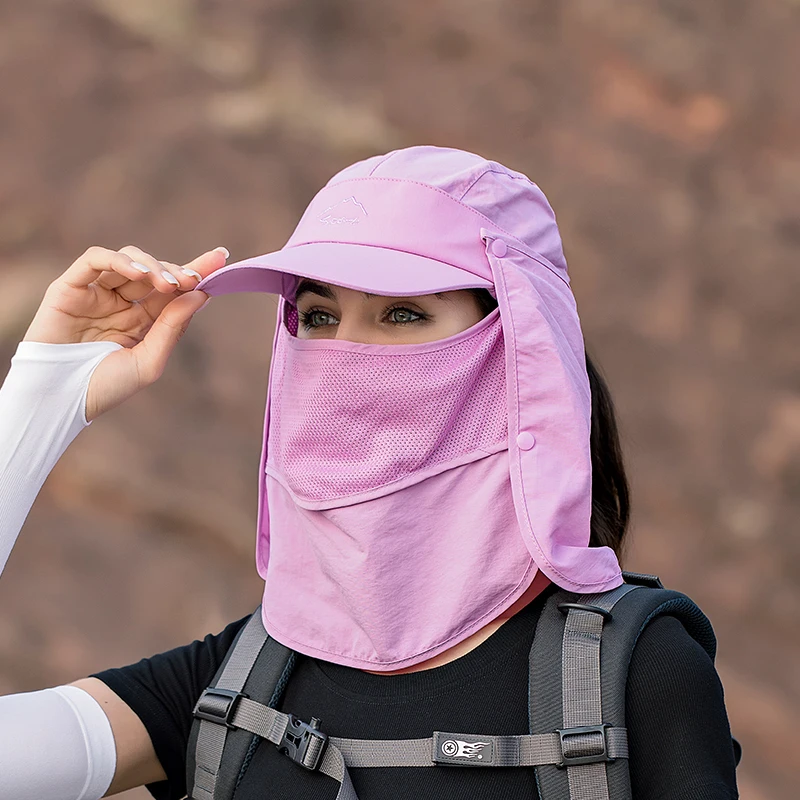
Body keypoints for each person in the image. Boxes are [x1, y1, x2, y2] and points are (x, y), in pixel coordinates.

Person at [0, 146, 739, 799]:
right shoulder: (241, 679)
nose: (343, 353)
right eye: (320, 317)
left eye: (402, 314)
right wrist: (43, 397)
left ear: (517, 346)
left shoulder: (635, 674)